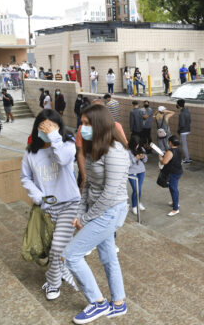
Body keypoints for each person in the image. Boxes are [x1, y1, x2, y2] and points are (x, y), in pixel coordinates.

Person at [63, 104, 130, 323]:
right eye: (81, 123)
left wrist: (85, 219)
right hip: (97, 209)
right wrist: (80, 212)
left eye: (86, 123)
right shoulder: (94, 148)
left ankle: (97, 303)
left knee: (71, 255)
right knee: (108, 256)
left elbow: (110, 194)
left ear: (99, 124)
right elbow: (88, 185)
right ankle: (118, 303)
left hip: (111, 211)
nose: (82, 128)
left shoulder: (115, 151)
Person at [21, 109, 80, 301]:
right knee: (50, 247)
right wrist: (38, 196)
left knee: (56, 248)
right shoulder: (31, 152)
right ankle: (61, 270)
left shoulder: (67, 145)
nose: (46, 131)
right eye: (42, 127)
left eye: (51, 126)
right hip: (46, 207)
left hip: (69, 204)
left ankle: (53, 282)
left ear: (59, 128)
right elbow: (26, 177)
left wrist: (55, 137)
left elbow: (62, 159)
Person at [75, 99, 127, 189]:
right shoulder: (83, 129)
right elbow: (81, 153)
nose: (84, 127)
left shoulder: (116, 127)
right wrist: (84, 176)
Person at [158, 136, 183, 217]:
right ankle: (174, 203)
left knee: (173, 189)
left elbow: (164, 162)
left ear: (170, 143)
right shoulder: (178, 149)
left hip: (172, 173)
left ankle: (175, 209)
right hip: (178, 171)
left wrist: (160, 158)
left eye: (169, 141)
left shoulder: (170, 151)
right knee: (173, 187)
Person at [128, 135, 147, 215]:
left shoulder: (141, 149)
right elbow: (127, 164)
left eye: (138, 144)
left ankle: (138, 203)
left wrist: (143, 157)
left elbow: (146, 160)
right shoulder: (127, 151)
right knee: (136, 189)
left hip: (141, 171)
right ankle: (134, 206)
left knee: (139, 189)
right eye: (136, 144)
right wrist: (136, 158)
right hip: (132, 172)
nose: (137, 145)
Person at [177, 99, 192, 163]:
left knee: (184, 146)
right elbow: (190, 121)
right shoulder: (187, 111)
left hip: (183, 131)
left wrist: (179, 130)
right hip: (188, 129)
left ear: (179, 105)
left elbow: (182, 124)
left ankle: (187, 159)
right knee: (182, 144)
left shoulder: (182, 114)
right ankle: (188, 157)